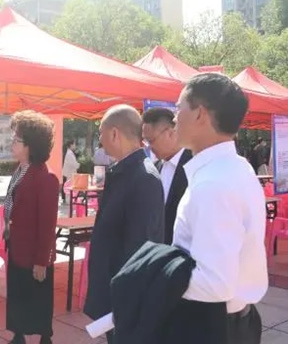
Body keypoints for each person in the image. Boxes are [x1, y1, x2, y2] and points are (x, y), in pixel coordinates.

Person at [173, 73, 267, 344]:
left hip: (211, 325)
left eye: (179, 108)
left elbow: (215, 283)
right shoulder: (235, 168)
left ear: (200, 114)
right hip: (233, 321)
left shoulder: (213, 183)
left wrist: (156, 279)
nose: (174, 118)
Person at [84, 104, 165, 344]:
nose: (100, 140)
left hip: (126, 299)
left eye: (101, 133)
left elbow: (141, 249)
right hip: (114, 291)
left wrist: (127, 302)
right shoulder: (124, 171)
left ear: (114, 134)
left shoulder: (143, 178)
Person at [5, 110, 59, 344]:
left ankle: (44, 338)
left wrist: (41, 261)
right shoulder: (20, 170)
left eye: (17, 139)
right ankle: (18, 335)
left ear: (31, 146)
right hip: (17, 247)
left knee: (37, 299)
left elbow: (47, 225)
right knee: (18, 294)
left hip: (34, 254)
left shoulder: (45, 178)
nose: (12, 142)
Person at [142, 107, 192, 245]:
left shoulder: (193, 166)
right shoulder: (154, 168)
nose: (149, 147)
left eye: (151, 140)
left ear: (171, 133)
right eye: (145, 142)